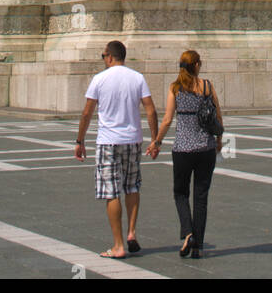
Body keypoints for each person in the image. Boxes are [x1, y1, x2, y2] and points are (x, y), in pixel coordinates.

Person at [74, 39, 158, 259]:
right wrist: (155, 139)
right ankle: (131, 232)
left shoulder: (99, 79)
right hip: (133, 140)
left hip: (108, 141)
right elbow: (150, 109)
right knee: (132, 186)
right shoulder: (137, 78)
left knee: (111, 192)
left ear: (109, 57)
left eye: (103, 56)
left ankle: (119, 245)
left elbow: (86, 113)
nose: (103, 59)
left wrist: (79, 141)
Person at [147, 50, 223, 260]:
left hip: (182, 150)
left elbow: (167, 119)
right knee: (201, 197)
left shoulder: (175, 88)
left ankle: (188, 233)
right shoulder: (207, 86)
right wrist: (218, 139)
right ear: (196, 65)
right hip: (205, 149)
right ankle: (197, 245)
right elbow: (217, 114)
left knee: (180, 194)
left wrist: (157, 141)